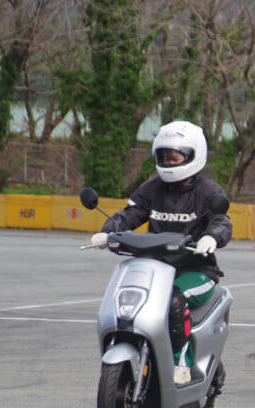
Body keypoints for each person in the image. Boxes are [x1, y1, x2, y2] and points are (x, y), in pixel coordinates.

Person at [90, 121, 232, 385]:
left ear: (194, 155)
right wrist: (108, 231)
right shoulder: (151, 188)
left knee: (173, 301)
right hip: (155, 269)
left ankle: (182, 362)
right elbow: (131, 213)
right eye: (164, 155)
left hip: (197, 271)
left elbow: (221, 220)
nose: (169, 160)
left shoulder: (209, 192)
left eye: (175, 155)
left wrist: (212, 237)